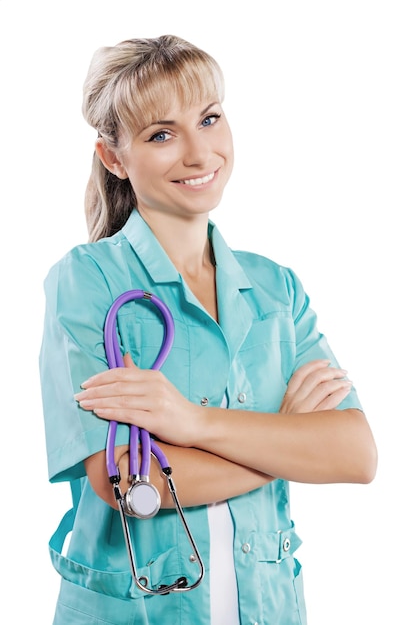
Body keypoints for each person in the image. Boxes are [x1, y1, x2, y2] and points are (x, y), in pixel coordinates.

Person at [39, 34, 377, 625]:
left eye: (210, 118)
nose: (199, 154)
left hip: (271, 609)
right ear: (114, 158)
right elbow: (128, 484)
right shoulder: (87, 281)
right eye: (162, 134)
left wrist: (192, 425)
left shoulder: (276, 289)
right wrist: (286, 442)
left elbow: (356, 453)